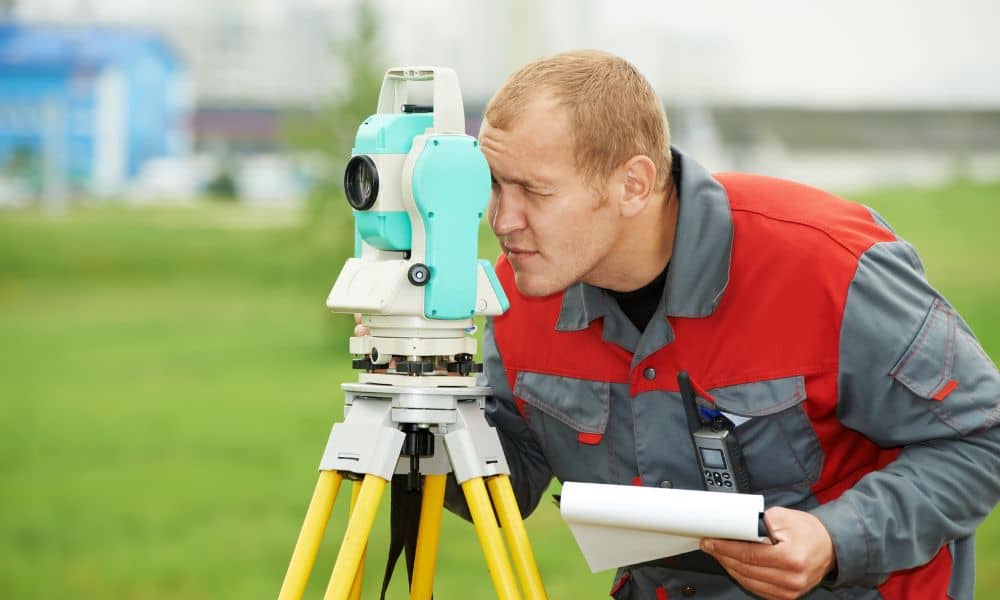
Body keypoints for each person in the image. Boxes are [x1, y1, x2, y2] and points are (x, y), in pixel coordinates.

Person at [426, 49, 1000, 599]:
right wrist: (417, 416)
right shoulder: (520, 290)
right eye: (495, 185)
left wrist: (835, 538)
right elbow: (511, 476)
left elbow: (981, 437)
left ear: (632, 183)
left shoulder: (827, 266)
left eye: (534, 190)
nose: (502, 219)